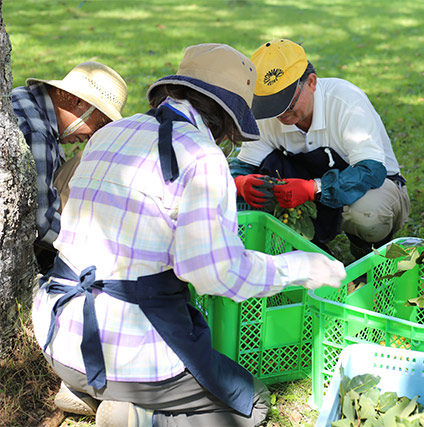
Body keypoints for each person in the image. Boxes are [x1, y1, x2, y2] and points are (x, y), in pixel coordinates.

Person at [31, 43, 346, 426]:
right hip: (126, 349)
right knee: (251, 404)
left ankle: (85, 389)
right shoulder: (201, 156)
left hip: (58, 332)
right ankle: (140, 418)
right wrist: (298, 268)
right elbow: (215, 274)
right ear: (227, 120)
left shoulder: (112, 133)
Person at [229, 39, 411, 259]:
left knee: (368, 214)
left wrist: (311, 189)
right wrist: (240, 181)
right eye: (272, 105)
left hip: (375, 185)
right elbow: (243, 166)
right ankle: (305, 251)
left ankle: (368, 251)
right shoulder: (268, 116)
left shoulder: (346, 101)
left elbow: (371, 171)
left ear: (312, 82)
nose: (281, 113)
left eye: (288, 102)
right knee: (237, 196)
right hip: (305, 188)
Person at [11, 61, 128, 272]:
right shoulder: (38, 133)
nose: (92, 136)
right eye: (100, 125)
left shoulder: (25, 98)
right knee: (92, 159)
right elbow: (42, 224)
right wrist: (93, 253)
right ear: (77, 102)